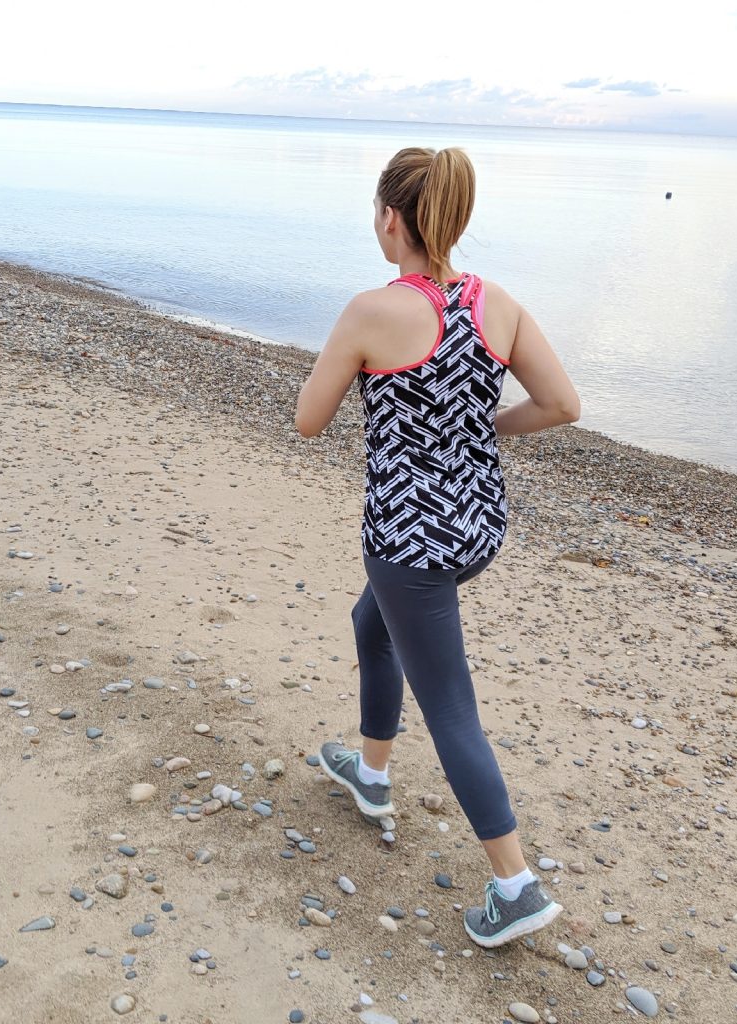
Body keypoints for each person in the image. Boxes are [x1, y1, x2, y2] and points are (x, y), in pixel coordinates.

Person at [295, 146, 580, 948]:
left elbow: (307, 420)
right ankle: (372, 774)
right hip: (476, 527)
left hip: (408, 542)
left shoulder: (370, 311)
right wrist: (485, 424)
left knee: (451, 707)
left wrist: (357, 366)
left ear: (391, 218)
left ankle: (515, 884)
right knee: (370, 624)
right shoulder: (501, 305)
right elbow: (562, 404)